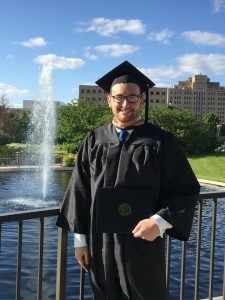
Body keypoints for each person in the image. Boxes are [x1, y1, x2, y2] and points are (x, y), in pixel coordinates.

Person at [56, 60, 200, 300]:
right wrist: (80, 241)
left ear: (142, 100)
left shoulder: (161, 141)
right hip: (100, 244)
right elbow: (79, 191)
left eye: (133, 98)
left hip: (142, 243)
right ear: (109, 100)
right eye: (119, 97)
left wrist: (159, 222)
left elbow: (185, 190)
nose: (126, 104)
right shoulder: (94, 140)